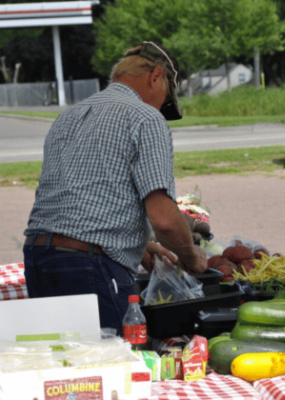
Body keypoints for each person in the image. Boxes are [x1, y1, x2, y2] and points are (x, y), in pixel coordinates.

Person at [23, 41, 207, 336]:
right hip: (90, 266)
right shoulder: (146, 118)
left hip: (38, 258)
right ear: (156, 76)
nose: (161, 107)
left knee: (61, 368)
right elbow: (163, 219)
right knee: (110, 372)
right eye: (164, 100)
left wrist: (135, 243)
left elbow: (85, 196)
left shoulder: (68, 116)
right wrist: (190, 256)